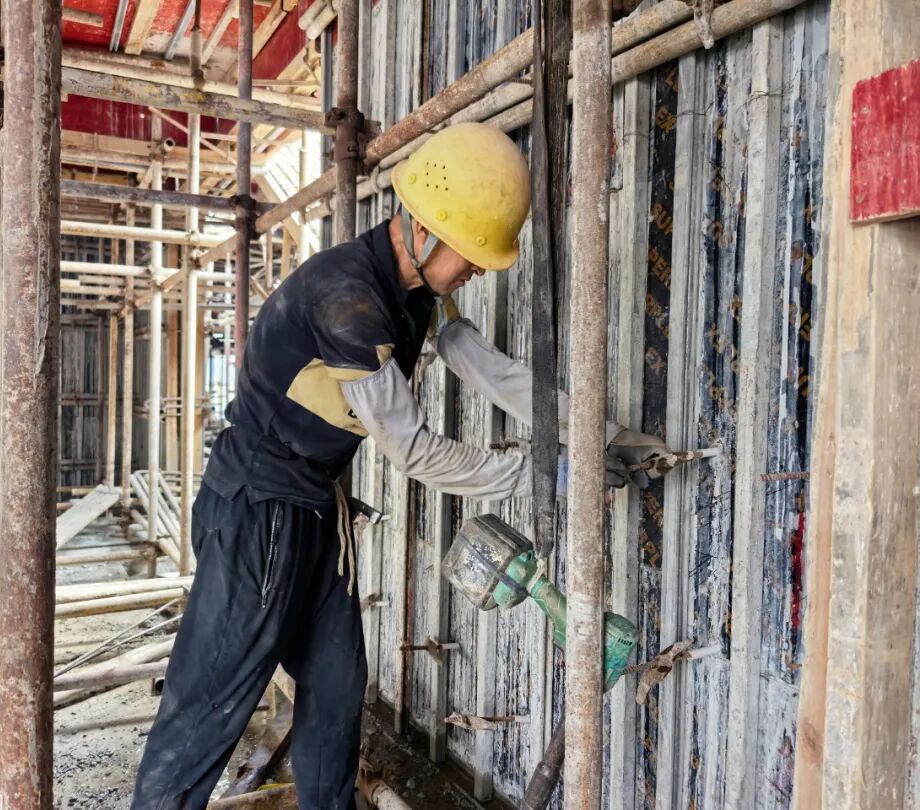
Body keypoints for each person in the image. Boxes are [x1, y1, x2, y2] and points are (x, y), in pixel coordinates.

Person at [130, 122, 671, 809]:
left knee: (336, 689)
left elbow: (490, 368)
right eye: (472, 252)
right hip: (257, 510)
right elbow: (413, 449)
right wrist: (541, 476)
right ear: (423, 229)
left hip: (315, 506)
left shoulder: (415, 290)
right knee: (210, 706)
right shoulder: (348, 303)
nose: (480, 269)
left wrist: (599, 437)